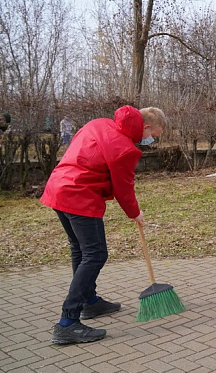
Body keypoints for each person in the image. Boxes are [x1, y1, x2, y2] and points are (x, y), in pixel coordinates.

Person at [41, 106, 167, 344]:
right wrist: (135, 213)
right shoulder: (125, 149)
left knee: (80, 249)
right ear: (146, 127)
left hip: (58, 188)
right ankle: (67, 322)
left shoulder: (99, 123)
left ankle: (90, 302)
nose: (151, 140)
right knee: (95, 254)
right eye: (154, 135)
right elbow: (123, 187)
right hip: (80, 195)